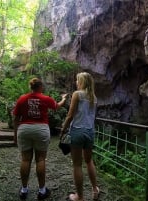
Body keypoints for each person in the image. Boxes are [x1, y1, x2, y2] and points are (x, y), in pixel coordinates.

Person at [13, 77, 68, 200]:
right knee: (40, 159)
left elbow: (16, 119)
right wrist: (63, 98)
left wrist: (15, 135)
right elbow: (57, 106)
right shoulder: (45, 98)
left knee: (25, 159)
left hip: (24, 129)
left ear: (31, 87)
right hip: (41, 129)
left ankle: (24, 190)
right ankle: (42, 191)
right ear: (40, 87)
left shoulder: (22, 99)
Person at [61, 72, 100, 201]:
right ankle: (95, 190)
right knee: (89, 161)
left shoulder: (77, 94)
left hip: (77, 131)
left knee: (77, 165)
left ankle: (80, 197)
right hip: (90, 132)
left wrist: (63, 129)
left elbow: (70, 115)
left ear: (82, 82)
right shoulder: (93, 97)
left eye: (78, 80)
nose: (76, 82)